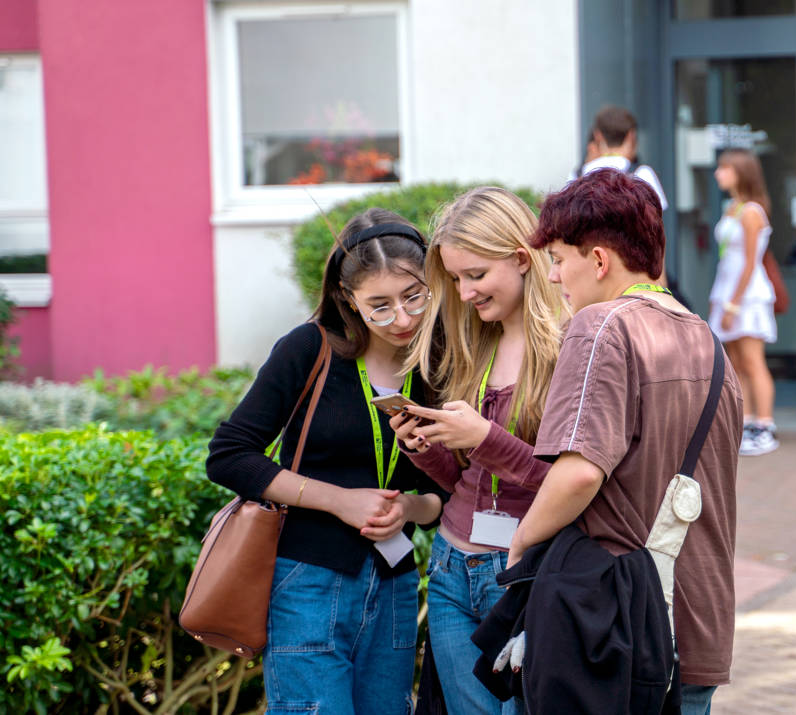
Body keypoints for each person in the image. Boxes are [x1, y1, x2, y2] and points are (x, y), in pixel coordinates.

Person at [506, 168, 741, 714]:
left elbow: (581, 471)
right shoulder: (707, 340)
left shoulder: (601, 326)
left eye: (560, 261)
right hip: (697, 623)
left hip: (617, 628)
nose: (558, 280)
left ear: (599, 260)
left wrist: (520, 546)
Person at [206, 209, 446, 714]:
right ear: (347, 299)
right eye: (379, 305)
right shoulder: (308, 348)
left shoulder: (439, 361)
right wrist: (340, 502)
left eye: (414, 297)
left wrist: (407, 509)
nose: (401, 319)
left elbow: (446, 497)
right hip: (307, 582)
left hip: (397, 582)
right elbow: (229, 456)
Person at [389, 187, 567, 715]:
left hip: (522, 577)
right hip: (449, 569)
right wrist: (425, 447)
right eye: (456, 279)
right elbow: (465, 479)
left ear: (520, 258)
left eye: (476, 275)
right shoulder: (478, 343)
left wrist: (484, 439)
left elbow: (575, 484)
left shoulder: (568, 345)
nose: (464, 293)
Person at [708, 148, 779, 456]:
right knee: (735, 364)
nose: (718, 174)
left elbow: (751, 263)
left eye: (724, 168)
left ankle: (765, 426)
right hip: (727, 292)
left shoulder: (751, 211)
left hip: (747, 297)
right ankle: (747, 422)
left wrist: (733, 304)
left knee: (752, 361)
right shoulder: (732, 207)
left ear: (740, 171)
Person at [570, 104, 668, 211]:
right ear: (631, 136)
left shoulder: (578, 175)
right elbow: (656, 218)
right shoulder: (641, 173)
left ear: (598, 135)